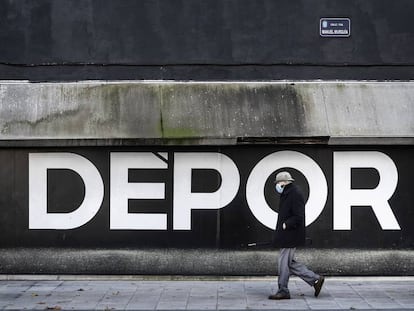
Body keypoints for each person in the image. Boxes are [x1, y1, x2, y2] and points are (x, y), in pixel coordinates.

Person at [269, 171, 325, 300]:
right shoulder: (288, 193)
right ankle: (316, 279)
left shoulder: (294, 194)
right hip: (287, 235)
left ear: (283, 182)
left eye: (278, 183)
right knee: (289, 263)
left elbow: (299, 216)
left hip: (290, 235)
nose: (277, 185)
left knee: (283, 263)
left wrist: (286, 224)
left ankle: (283, 290)